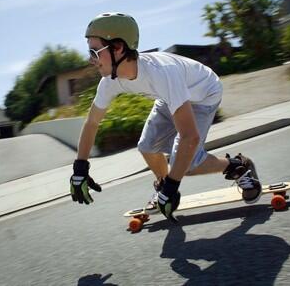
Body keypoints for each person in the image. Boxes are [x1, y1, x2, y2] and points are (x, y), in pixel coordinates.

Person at [70, 12, 262, 221]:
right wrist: (80, 167)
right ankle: (163, 187)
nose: (91, 60)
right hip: (169, 95)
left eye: (95, 51)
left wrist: (173, 184)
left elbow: (189, 137)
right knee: (147, 146)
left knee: (187, 163)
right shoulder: (110, 80)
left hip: (203, 94)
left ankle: (238, 166)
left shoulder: (161, 73)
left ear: (118, 47)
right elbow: (92, 123)